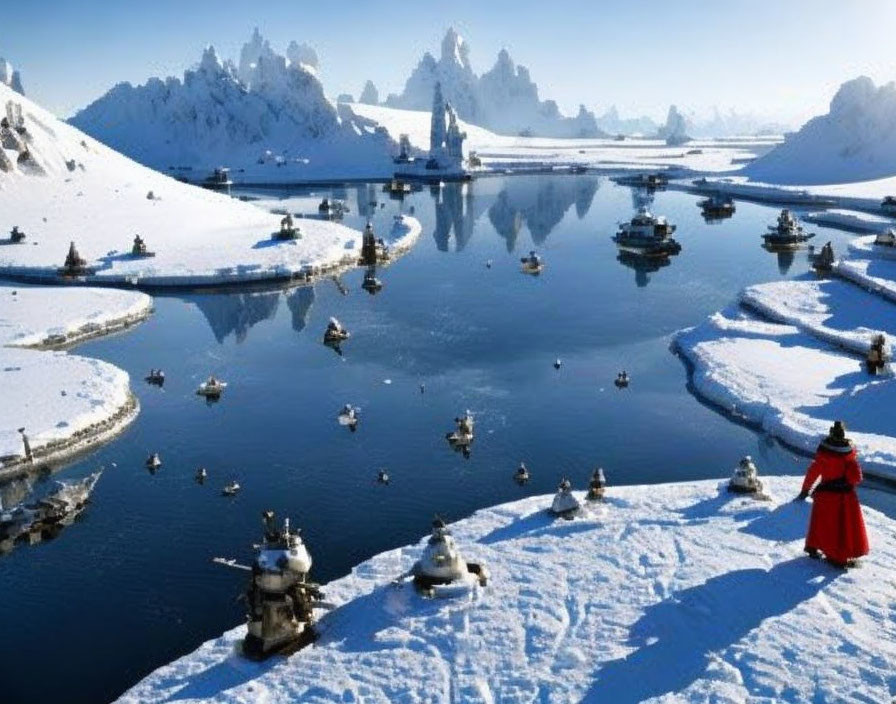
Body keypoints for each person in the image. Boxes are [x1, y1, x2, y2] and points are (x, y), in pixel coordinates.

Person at [795, 421, 869, 568]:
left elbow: (813, 472)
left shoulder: (823, 454)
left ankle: (812, 547)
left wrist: (805, 490)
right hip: (844, 498)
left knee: (819, 523)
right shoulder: (849, 456)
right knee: (840, 528)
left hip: (824, 496)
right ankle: (838, 558)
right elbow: (856, 477)